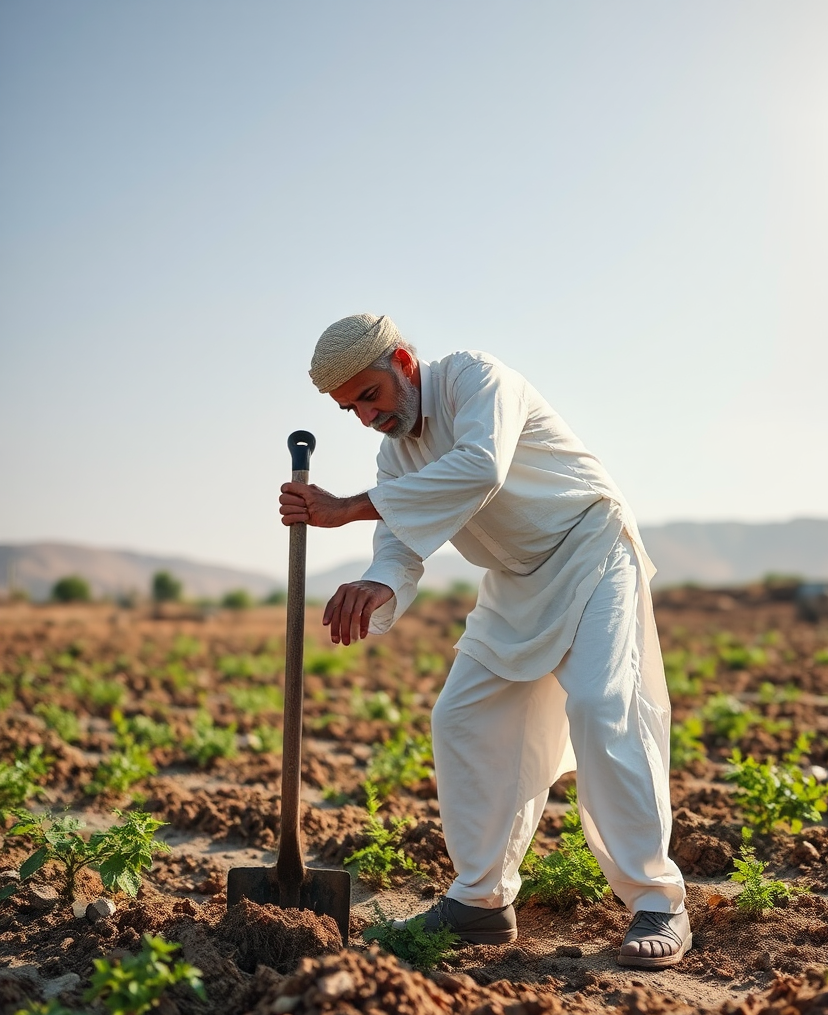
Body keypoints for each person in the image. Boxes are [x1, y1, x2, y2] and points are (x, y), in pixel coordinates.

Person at [279, 313, 690, 969]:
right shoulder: (397, 455)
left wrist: (347, 507)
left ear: (404, 366)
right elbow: (401, 544)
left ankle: (659, 901)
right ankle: (481, 901)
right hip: (517, 582)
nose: (364, 416)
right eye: (349, 407)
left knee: (599, 706)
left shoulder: (476, 378)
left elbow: (480, 468)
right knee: (462, 717)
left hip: (590, 549)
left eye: (368, 396)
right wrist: (377, 584)